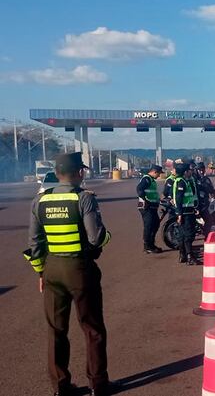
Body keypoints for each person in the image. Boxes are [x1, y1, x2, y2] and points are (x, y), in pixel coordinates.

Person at [25, 152, 113, 396]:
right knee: (92, 328)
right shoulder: (83, 198)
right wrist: (107, 234)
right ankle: (98, 384)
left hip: (52, 270)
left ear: (57, 172)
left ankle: (60, 386)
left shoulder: (39, 201)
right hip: (80, 270)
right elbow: (96, 237)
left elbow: (34, 242)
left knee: (56, 330)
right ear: (79, 173)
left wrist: (41, 272)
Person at [173, 162, 200, 265]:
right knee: (188, 235)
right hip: (185, 212)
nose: (191, 172)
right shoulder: (181, 182)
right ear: (185, 172)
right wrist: (180, 214)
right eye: (189, 170)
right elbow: (179, 199)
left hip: (188, 210)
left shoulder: (185, 181)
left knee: (184, 235)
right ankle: (190, 256)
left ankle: (183, 255)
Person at [136, 165, 163, 254]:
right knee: (149, 226)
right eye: (158, 174)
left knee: (155, 224)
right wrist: (145, 200)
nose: (159, 176)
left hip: (152, 207)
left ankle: (151, 244)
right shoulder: (146, 179)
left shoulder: (151, 180)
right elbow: (139, 189)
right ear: (154, 172)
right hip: (146, 207)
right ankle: (147, 246)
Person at [195, 162, 215, 234]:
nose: (201, 171)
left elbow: (211, 189)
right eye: (199, 170)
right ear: (196, 170)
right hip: (197, 204)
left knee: (209, 219)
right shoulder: (194, 179)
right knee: (208, 220)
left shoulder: (206, 179)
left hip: (204, 203)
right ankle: (207, 235)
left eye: (202, 169)